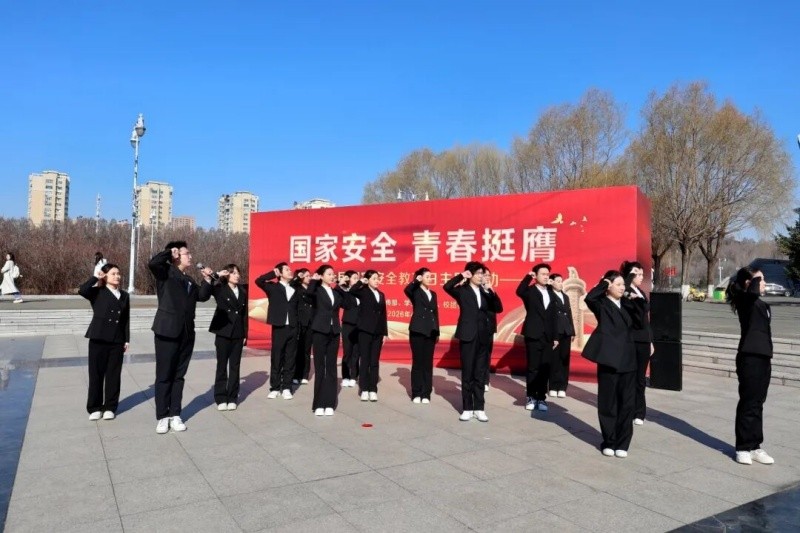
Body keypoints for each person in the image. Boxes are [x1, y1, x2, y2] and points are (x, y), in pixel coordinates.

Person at [149, 241, 212, 434]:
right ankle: (162, 416)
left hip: (186, 333)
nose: (190, 256)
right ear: (176, 256)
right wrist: (169, 252)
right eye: (187, 253)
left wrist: (207, 280)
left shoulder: (189, 279)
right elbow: (153, 263)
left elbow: (202, 296)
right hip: (167, 331)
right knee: (164, 376)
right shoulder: (165, 272)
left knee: (178, 376)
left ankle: (175, 414)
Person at [582, 271, 636, 458]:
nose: (622, 288)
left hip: (628, 360)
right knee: (608, 403)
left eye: (623, 284)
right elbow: (590, 298)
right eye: (618, 284)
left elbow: (642, 315)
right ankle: (609, 441)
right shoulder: (602, 304)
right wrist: (604, 284)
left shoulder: (627, 304)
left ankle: (622, 443)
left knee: (627, 404)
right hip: (609, 360)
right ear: (609, 285)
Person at [726, 267, 775, 466]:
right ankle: (743, 447)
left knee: (758, 403)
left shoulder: (763, 305)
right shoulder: (744, 300)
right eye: (761, 280)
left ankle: (755, 446)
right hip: (749, 358)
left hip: (764, 357)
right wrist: (753, 279)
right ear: (749, 282)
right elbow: (751, 292)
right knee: (748, 402)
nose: (764, 283)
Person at [78, 263, 130, 421]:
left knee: (114, 375)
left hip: (117, 340)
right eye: (113, 273)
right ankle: (94, 407)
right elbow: (82, 290)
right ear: (105, 276)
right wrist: (95, 277)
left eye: (118, 273)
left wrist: (126, 339)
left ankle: (110, 407)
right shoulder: (97, 292)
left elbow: (125, 319)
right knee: (96, 374)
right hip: (98, 338)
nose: (117, 276)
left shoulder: (124, 295)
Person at [444, 261, 492, 422]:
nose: (481, 276)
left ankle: (479, 408)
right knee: (468, 373)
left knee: (480, 373)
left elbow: (498, 307)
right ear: (470, 275)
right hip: (467, 335)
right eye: (478, 273)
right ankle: (467, 408)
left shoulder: (485, 291)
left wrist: (490, 290)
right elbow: (447, 287)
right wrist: (461, 276)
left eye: (482, 273)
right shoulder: (462, 291)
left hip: (483, 337)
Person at [304, 265, 350, 416]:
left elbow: (348, 304)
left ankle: (330, 403)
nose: (332, 276)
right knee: (320, 367)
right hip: (319, 331)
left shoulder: (335, 292)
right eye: (329, 274)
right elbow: (307, 296)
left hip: (334, 332)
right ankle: (318, 404)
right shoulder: (316, 290)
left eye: (333, 274)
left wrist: (342, 287)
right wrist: (313, 281)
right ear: (321, 276)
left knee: (331, 367)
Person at [204, 264, 247, 411]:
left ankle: (232, 397)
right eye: (233, 273)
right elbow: (207, 289)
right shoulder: (220, 288)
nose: (237, 275)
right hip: (223, 332)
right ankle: (221, 397)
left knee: (235, 366)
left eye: (238, 273)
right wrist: (217, 274)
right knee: (222, 366)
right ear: (227, 275)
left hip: (238, 333)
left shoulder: (243, 290)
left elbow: (244, 314)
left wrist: (245, 333)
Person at [255, 262, 300, 400]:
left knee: (290, 358)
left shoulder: (295, 289)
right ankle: (275, 387)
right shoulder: (273, 287)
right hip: (279, 327)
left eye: (290, 269)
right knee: (277, 357)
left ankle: (286, 387)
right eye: (287, 270)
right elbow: (259, 281)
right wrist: (273, 273)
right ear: (279, 273)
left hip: (293, 327)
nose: (290, 271)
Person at [516, 263, 558, 412]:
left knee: (545, 368)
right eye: (543, 274)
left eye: (547, 274)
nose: (546, 277)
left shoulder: (551, 293)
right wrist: (528, 277)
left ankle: (541, 398)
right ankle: (531, 396)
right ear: (536, 276)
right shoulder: (530, 292)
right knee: (533, 368)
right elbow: (519, 291)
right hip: (533, 334)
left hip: (548, 336)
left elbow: (554, 317)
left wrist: (555, 337)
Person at [620, 261, 654, 425]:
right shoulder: (625, 291)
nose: (640, 276)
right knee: (630, 377)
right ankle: (628, 408)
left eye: (641, 274)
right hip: (631, 339)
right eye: (636, 273)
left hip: (643, 340)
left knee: (640, 378)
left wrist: (650, 341)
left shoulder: (640, 292)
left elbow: (646, 320)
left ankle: (639, 412)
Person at [350, 270, 388, 402]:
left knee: (374, 362)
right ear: (368, 280)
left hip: (378, 332)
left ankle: (373, 389)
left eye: (378, 278)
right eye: (374, 278)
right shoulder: (363, 292)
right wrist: (361, 282)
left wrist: (385, 333)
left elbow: (383, 314)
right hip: (365, 331)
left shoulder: (381, 294)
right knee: (365, 360)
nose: (377, 281)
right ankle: (364, 389)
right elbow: (352, 291)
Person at [404, 267, 440, 404]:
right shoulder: (415, 291)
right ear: (420, 277)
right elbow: (407, 290)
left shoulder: (433, 294)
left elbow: (435, 313)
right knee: (418, 362)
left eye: (431, 276)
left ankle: (426, 393)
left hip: (431, 331)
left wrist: (437, 331)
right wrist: (415, 281)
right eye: (427, 276)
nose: (430, 279)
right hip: (417, 330)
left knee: (427, 363)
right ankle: (416, 393)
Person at [548, 272, 576, 398]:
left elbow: (569, 314)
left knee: (564, 359)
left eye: (561, 281)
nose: (560, 283)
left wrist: (572, 331)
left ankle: (562, 387)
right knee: (554, 359)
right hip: (555, 331)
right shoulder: (549, 294)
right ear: (552, 282)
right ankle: (553, 386)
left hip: (566, 331)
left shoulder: (566, 296)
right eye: (557, 281)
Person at [481, 267, 503, 392]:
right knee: (478, 356)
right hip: (478, 328)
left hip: (489, 329)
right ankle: (477, 379)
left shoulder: (490, 291)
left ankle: (485, 380)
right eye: (485, 275)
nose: (488, 278)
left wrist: (492, 291)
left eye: (489, 275)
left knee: (486, 356)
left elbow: (499, 308)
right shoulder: (476, 290)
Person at [338, 270, 361, 388]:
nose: (357, 280)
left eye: (358, 278)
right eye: (354, 278)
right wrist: (341, 284)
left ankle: (354, 376)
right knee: (347, 352)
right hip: (348, 325)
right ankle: (346, 376)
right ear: (348, 279)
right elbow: (339, 295)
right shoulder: (345, 292)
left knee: (356, 353)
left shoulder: (362, 292)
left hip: (359, 325)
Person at [292, 268, 314, 385]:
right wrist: (297, 277)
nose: (309, 278)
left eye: (310, 276)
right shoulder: (296, 287)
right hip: (300, 321)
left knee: (306, 350)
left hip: (311, 322)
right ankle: (296, 374)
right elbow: (291, 285)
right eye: (306, 276)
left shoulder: (312, 288)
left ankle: (305, 374)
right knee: (298, 349)